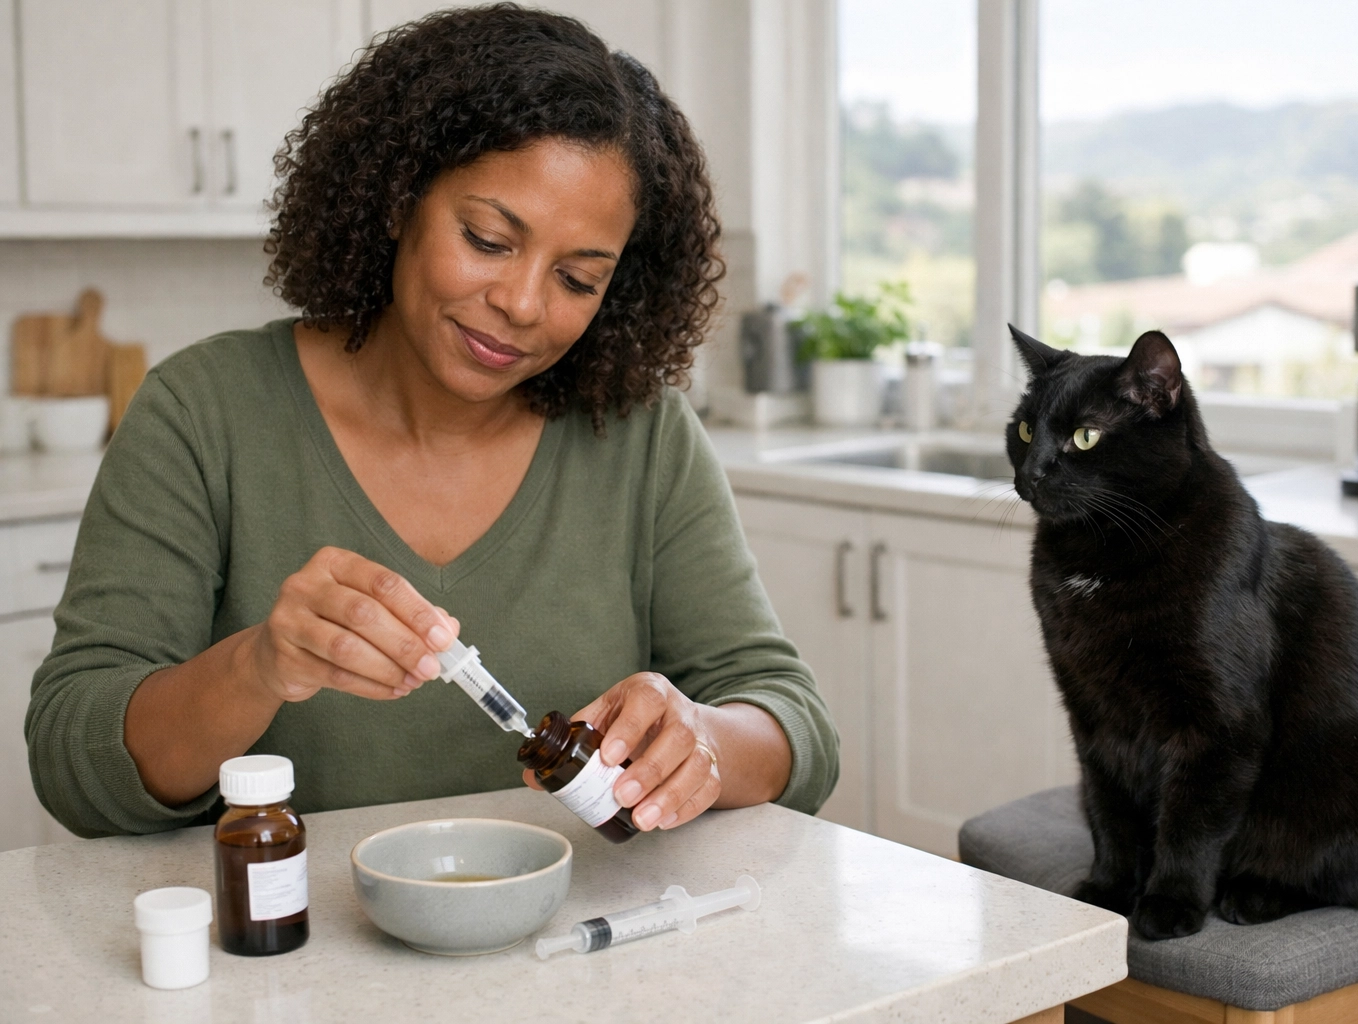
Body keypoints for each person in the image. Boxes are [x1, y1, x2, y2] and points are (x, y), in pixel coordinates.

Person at [26, 4, 837, 838]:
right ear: (397, 199)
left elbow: (794, 727)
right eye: (487, 239)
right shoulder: (203, 412)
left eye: (577, 279)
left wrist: (704, 739)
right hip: (289, 920)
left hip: (589, 919)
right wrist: (257, 666)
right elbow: (71, 765)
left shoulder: (641, 433)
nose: (522, 304)